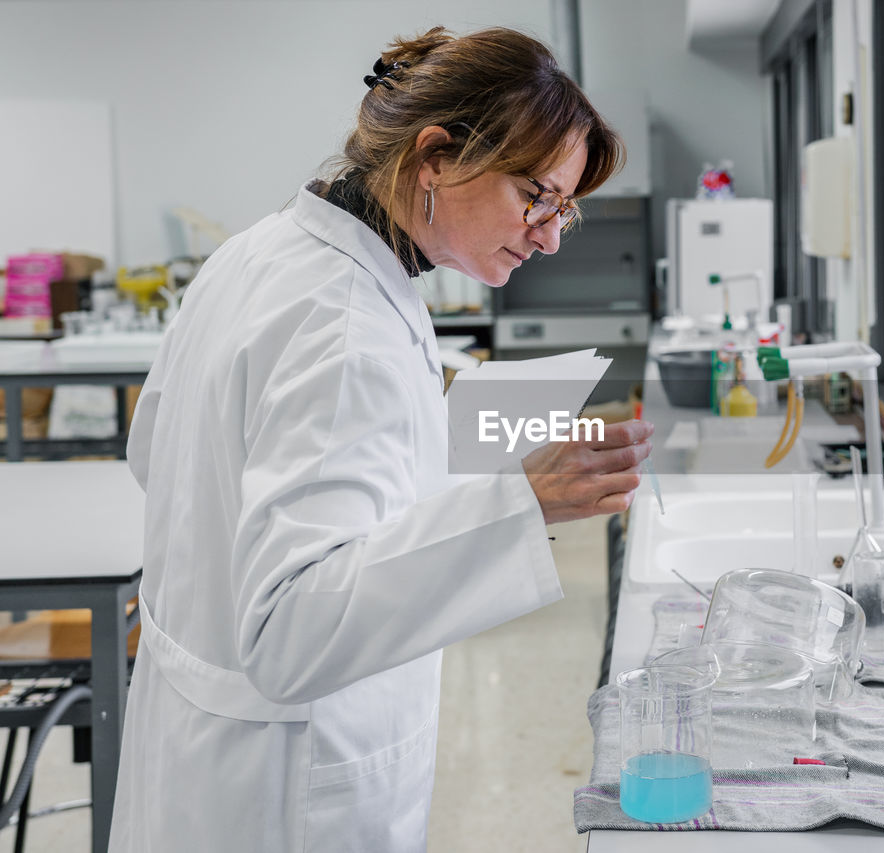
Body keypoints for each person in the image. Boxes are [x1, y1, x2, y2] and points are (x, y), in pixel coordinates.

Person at [109, 26, 653, 853]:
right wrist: (522, 504)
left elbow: (160, 453)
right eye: (535, 195)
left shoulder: (263, 252)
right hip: (283, 780)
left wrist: (453, 443)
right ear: (435, 156)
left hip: (197, 733)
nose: (547, 234)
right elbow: (290, 629)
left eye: (563, 210)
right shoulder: (347, 323)